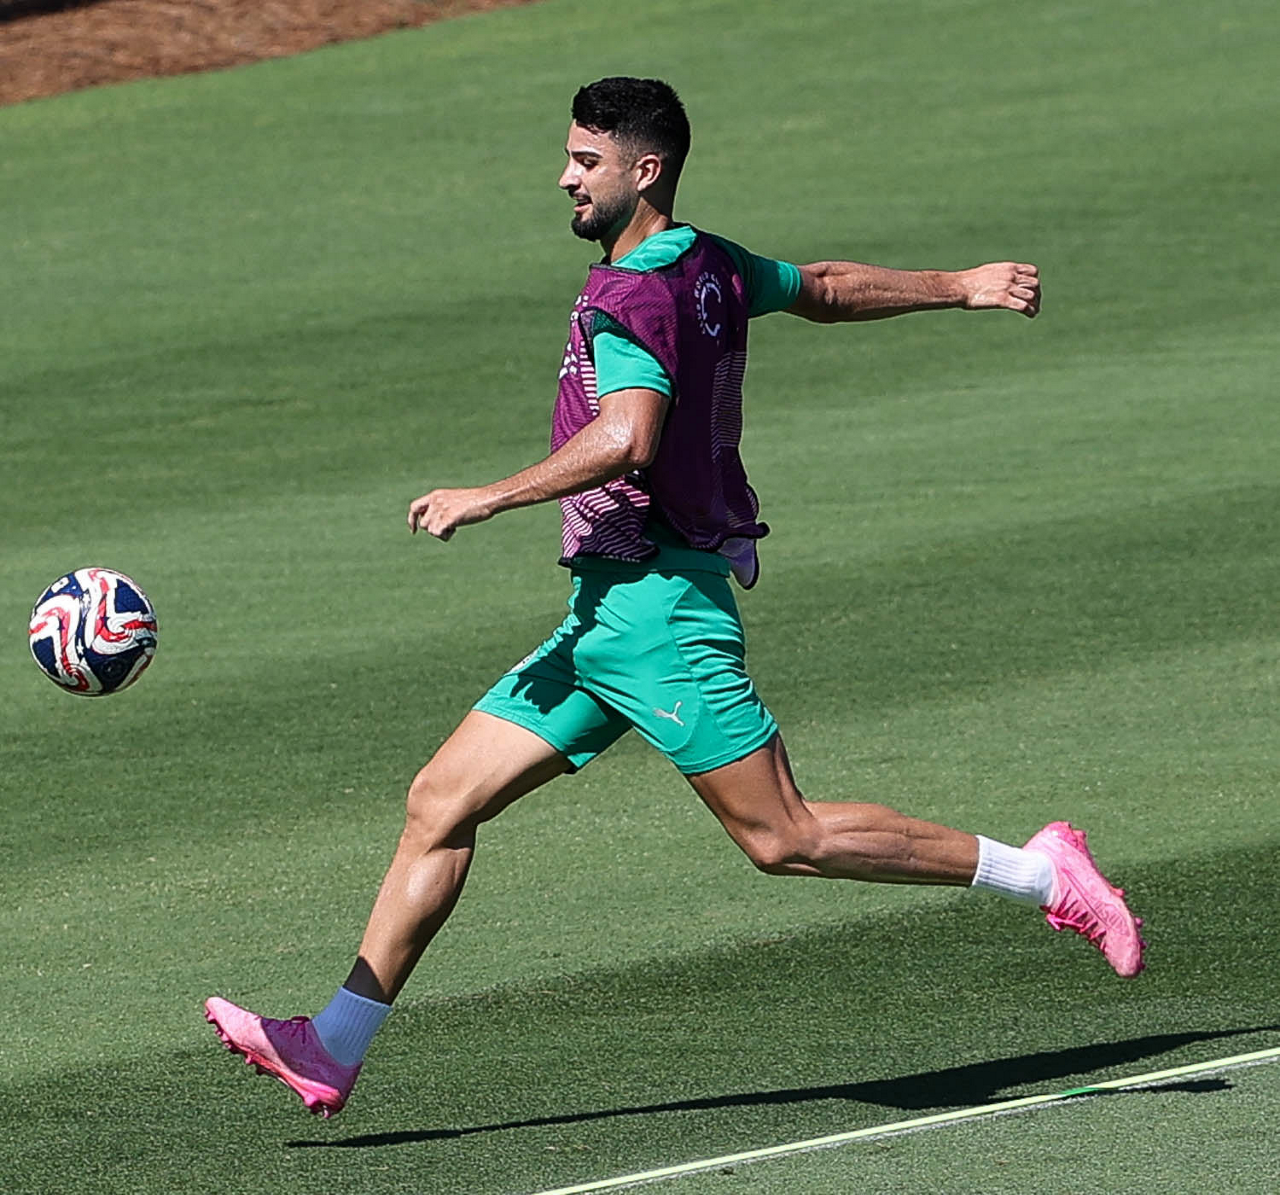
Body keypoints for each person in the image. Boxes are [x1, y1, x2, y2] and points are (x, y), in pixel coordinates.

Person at [206, 76, 1144, 1118]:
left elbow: (628, 434)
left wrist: (490, 494)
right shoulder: (706, 261)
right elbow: (823, 285)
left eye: (586, 161)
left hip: (658, 613)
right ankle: (334, 1044)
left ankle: (1042, 872)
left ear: (643, 169)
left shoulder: (631, 296)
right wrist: (958, 284)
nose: (565, 177)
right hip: (603, 618)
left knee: (783, 836)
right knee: (440, 800)